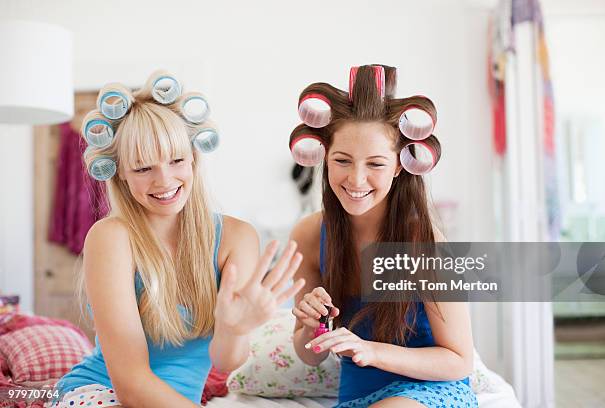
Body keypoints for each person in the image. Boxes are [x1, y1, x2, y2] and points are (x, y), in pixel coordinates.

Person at [47, 71, 304, 408]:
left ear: (194, 158)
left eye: (177, 160)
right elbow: (130, 385)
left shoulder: (236, 237)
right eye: (142, 168)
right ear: (120, 172)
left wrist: (235, 328)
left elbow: (227, 362)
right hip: (98, 395)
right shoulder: (111, 238)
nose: (164, 180)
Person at [289, 65, 478, 408]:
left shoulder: (427, 244)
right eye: (342, 160)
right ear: (325, 159)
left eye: (375, 164)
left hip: (428, 391)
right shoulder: (308, 235)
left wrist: (372, 351)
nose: (356, 180)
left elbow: (459, 359)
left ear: (399, 165)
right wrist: (309, 327)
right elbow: (310, 356)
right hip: (357, 398)